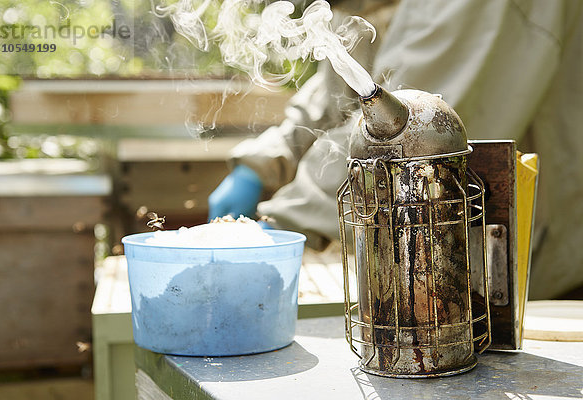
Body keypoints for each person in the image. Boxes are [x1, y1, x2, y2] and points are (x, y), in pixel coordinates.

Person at [208, 0, 583, 300]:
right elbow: (342, 89)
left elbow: (402, 125)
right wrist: (263, 162)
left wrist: (283, 220)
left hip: (541, 274)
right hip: (453, 269)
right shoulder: (370, 7)